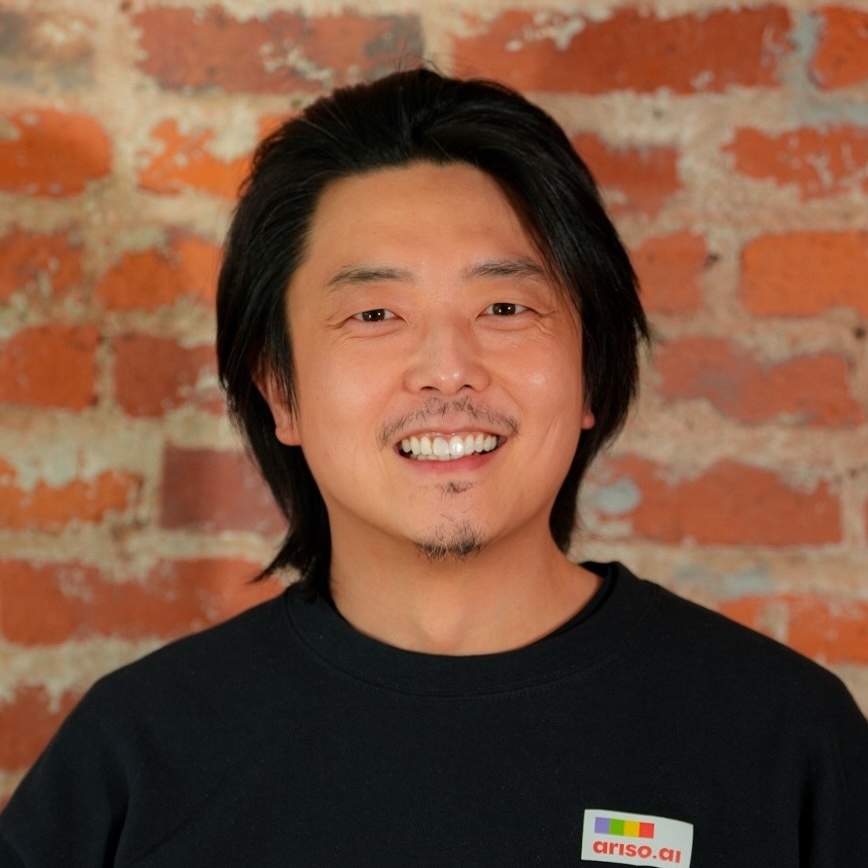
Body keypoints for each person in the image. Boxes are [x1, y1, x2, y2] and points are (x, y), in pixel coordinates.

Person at [1, 67, 866, 868]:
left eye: (505, 306)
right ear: (280, 392)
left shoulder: (783, 739)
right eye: (376, 314)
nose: (448, 370)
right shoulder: (138, 756)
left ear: (591, 370)